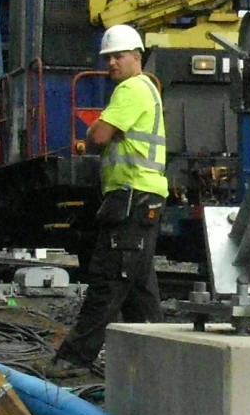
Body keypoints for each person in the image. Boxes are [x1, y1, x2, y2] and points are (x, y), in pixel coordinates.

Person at [56, 25, 167, 369]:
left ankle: (74, 359)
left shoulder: (132, 89)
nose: (111, 64)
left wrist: (91, 132)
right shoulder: (145, 89)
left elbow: (99, 136)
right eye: (108, 58)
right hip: (142, 197)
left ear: (137, 57)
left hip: (131, 197)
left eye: (118, 56)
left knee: (107, 279)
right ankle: (159, 360)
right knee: (138, 287)